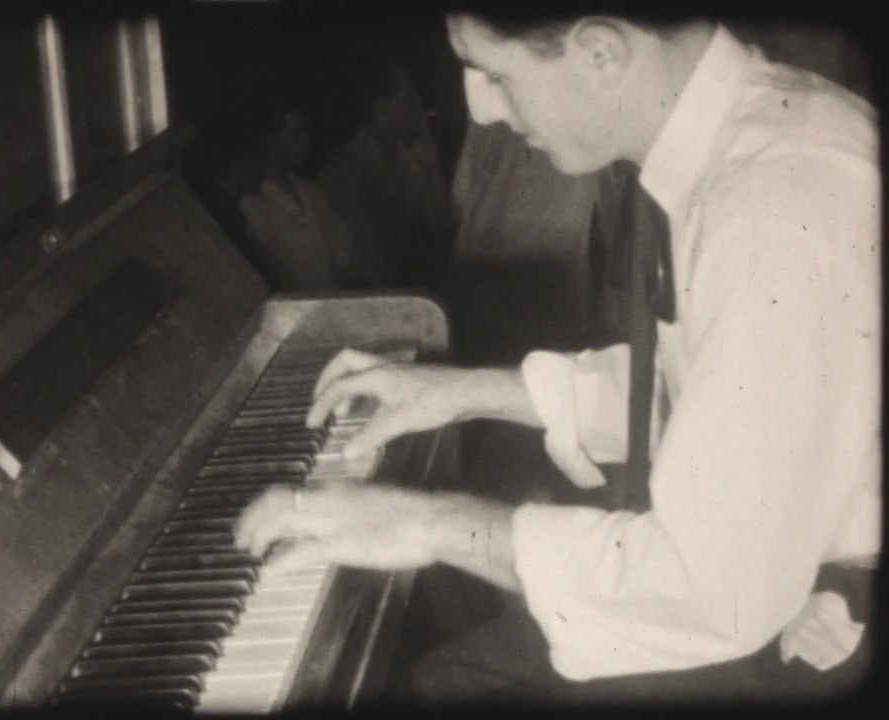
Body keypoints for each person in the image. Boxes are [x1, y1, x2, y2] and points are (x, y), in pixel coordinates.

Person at [235, 11, 879, 704]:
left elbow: (709, 588)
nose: (481, 111)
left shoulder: (770, 209)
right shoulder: (756, 127)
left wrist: (426, 522)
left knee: (434, 688)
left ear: (601, 51)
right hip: (777, 574)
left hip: (821, 621)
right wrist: (470, 392)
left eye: (496, 73)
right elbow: (720, 398)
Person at [318, 59, 457, 289]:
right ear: (380, 109)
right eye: (408, 98)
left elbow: (442, 223)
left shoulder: (412, 155)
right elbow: (369, 263)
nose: (418, 104)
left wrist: (431, 168)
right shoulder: (343, 172)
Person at [223, 105, 350, 291]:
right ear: (271, 140)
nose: (308, 143)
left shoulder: (310, 191)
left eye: (309, 133)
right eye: (297, 135)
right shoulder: (252, 203)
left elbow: (343, 248)